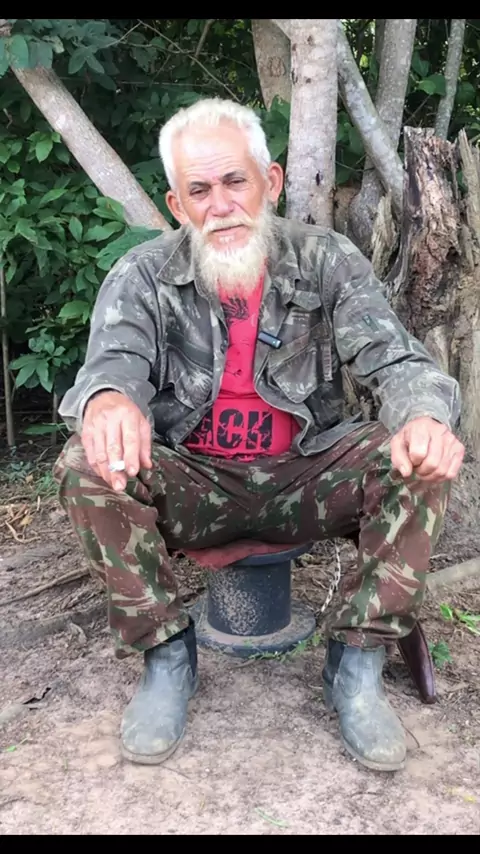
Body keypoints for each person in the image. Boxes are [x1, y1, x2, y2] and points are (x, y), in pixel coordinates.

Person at [53, 97, 464, 773]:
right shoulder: (144, 275)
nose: (220, 205)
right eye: (199, 191)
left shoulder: (326, 259)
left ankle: (356, 663)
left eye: (234, 181)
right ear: (177, 205)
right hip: (195, 482)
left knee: (415, 457)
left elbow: (396, 361)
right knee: (88, 462)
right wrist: (108, 403)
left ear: (269, 182)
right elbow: (112, 364)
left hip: (306, 475)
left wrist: (423, 414)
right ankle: (166, 656)